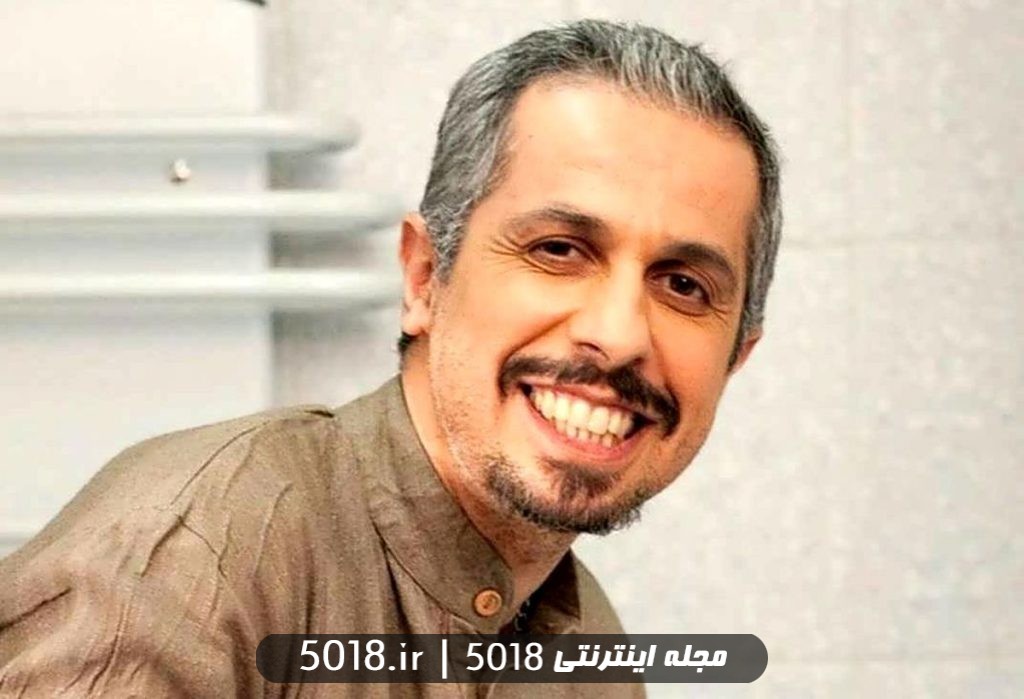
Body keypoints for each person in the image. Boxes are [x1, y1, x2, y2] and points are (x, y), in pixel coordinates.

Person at [0, 19, 780, 698]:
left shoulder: (589, 654)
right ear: (424, 277)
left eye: (684, 285)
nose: (619, 334)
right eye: (559, 249)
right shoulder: (193, 558)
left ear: (736, 359)